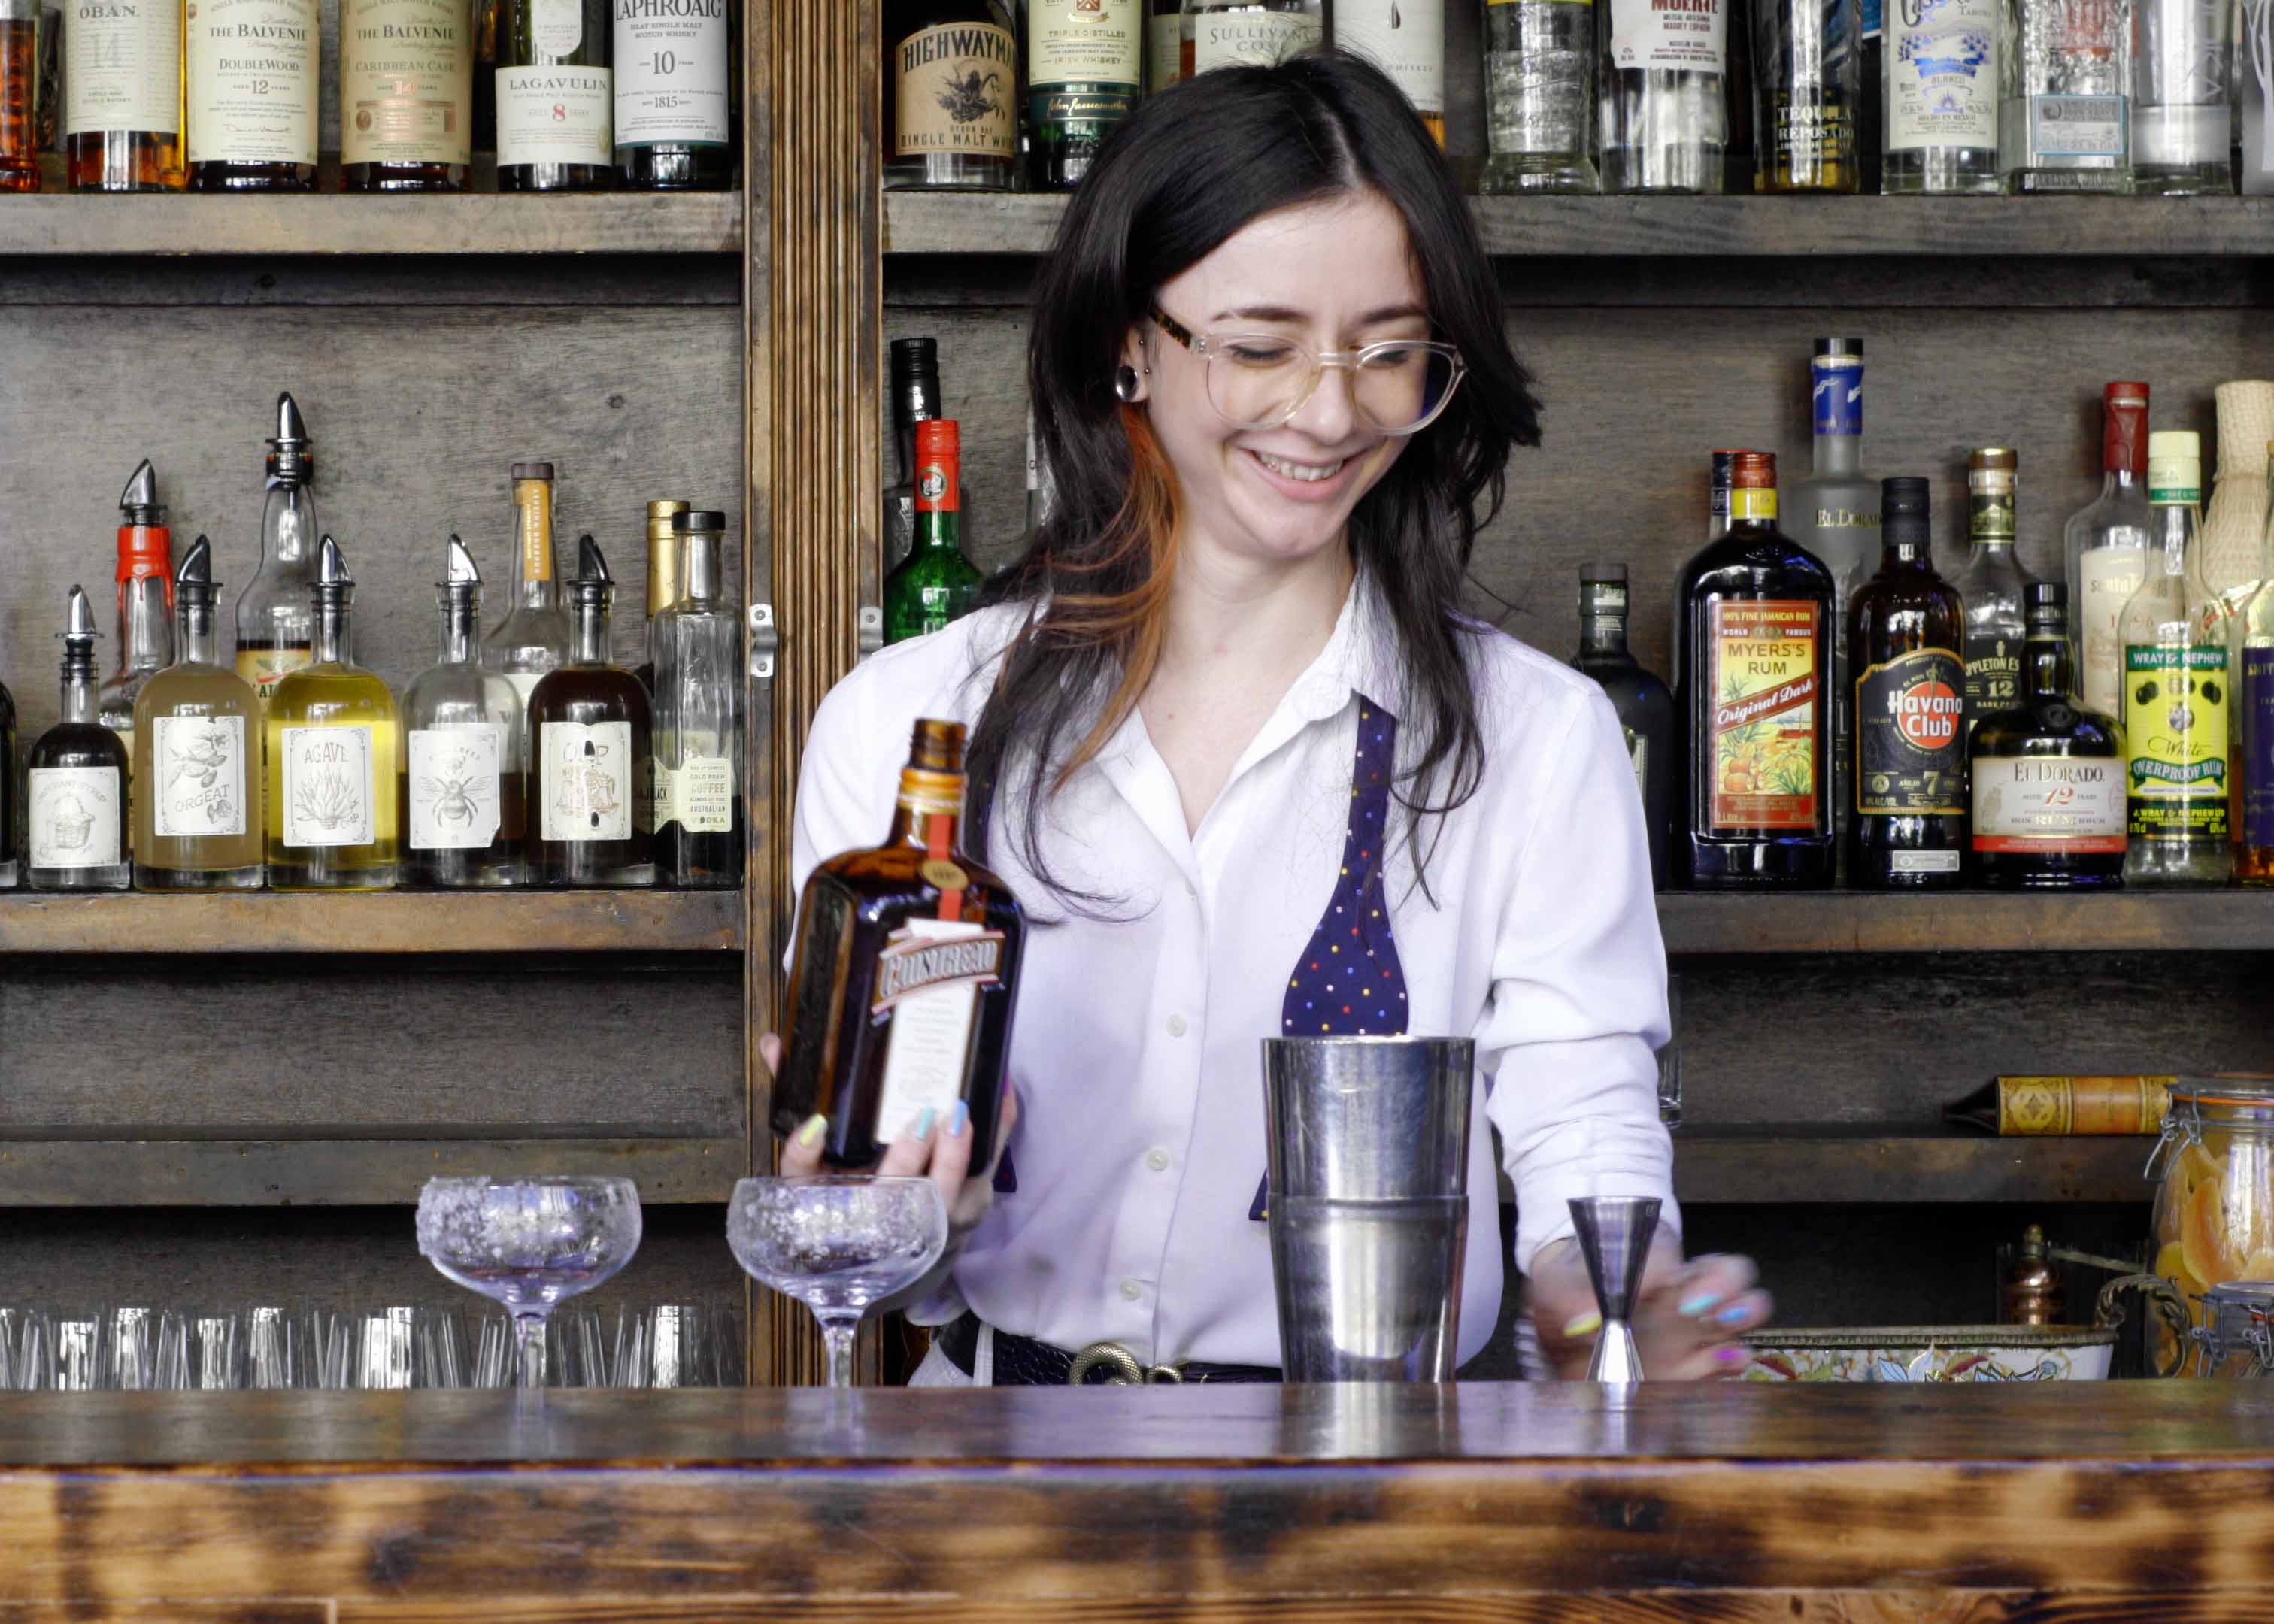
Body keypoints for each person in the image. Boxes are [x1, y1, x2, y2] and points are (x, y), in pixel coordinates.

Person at [768, 50, 1771, 1384]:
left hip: (1378, 1489)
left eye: (1391, 352)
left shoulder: (1538, 739)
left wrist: (1616, 1293)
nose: (1331, 410)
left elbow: (1583, 1118)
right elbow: (873, 1233)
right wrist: (893, 1214)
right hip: (1001, 1474)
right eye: (1260, 346)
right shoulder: (911, 730)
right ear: (1129, 340)